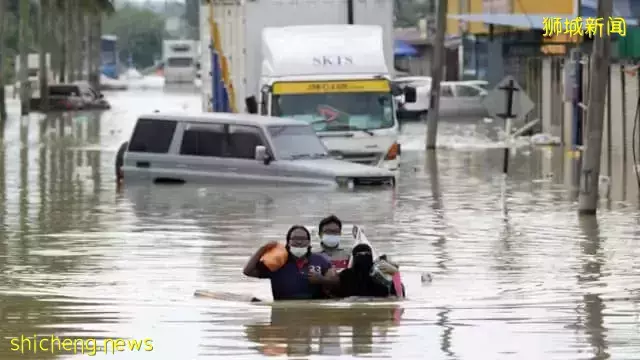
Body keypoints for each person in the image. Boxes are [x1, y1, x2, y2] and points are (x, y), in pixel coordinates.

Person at [243, 225, 333, 301]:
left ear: (309, 242)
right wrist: (262, 249)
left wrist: (322, 279)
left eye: (303, 239)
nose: (299, 242)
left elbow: (336, 281)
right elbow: (248, 271)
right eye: (294, 239)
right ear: (288, 242)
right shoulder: (277, 262)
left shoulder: (320, 260)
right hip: (283, 316)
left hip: (313, 315)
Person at [313, 243, 404, 298]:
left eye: (366, 254)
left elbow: (396, 294)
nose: (363, 257)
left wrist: (395, 273)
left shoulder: (381, 275)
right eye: (360, 255)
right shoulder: (345, 276)